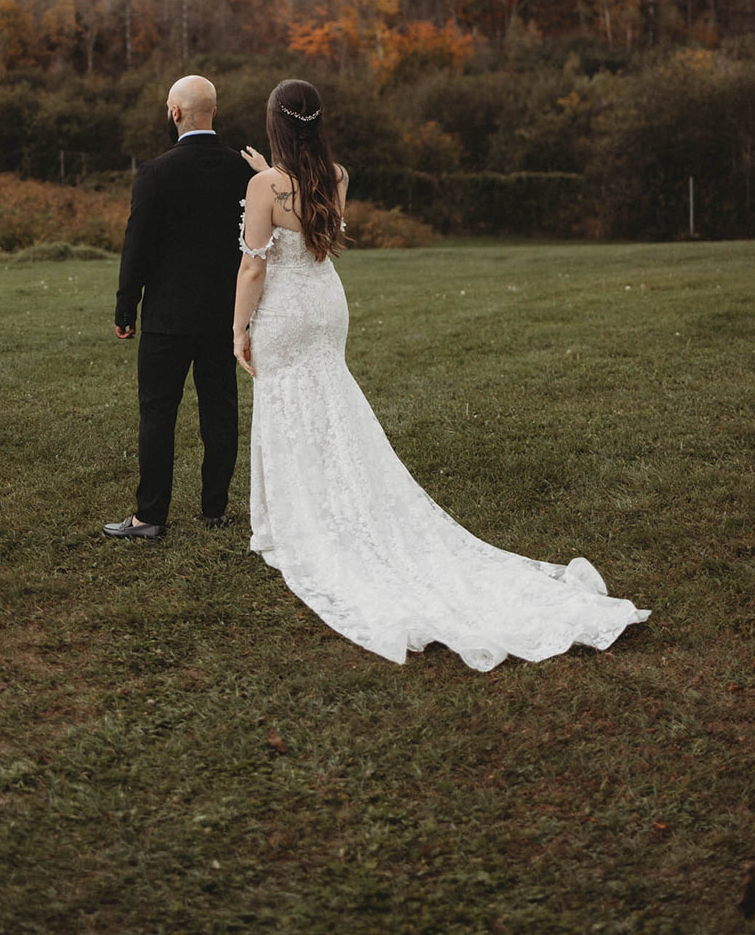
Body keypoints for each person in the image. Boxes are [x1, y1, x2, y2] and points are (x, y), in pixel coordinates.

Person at [232, 78, 650, 669]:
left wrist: (237, 329)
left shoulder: (263, 188)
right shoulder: (337, 175)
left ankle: (298, 516)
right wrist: (268, 170)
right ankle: (338, 496)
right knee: (329, 398)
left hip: (284, 311)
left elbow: (254, 271)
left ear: (275, 125)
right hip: (325, 307)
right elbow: (303, 206)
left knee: (288, 400)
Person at [103, 75, 261, 540]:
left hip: (168, 318)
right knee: (220, 410)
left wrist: (124, 308)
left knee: (158, 412)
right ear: (215, 111)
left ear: (174, 113)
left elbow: (138, 248)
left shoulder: (155, 172)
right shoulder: (243, 171)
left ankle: (149, 516)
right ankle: (214, 509)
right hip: (224, 316)